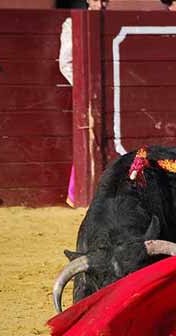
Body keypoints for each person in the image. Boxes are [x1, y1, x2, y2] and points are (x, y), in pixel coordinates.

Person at [59, 0, 109, 207]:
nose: (102, 4)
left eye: (105, 0)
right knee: (89, 137)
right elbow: (66, 63)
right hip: (89, 93)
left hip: (113, 90)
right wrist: (84, 89)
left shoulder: (115, 22)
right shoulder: (72, 24)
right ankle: (76, 192)